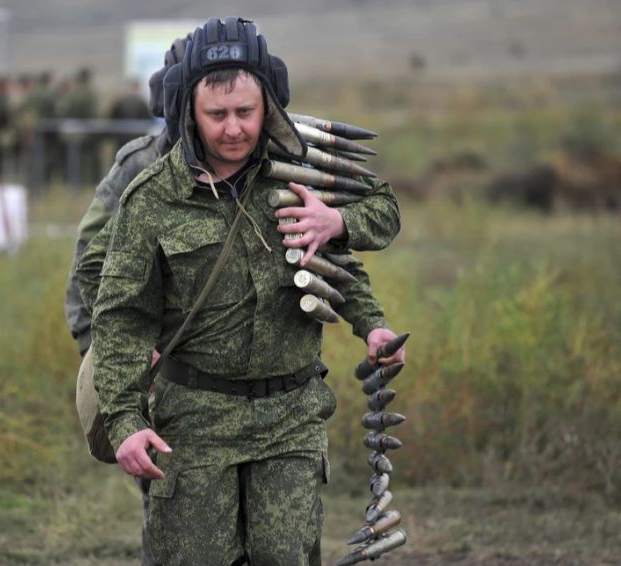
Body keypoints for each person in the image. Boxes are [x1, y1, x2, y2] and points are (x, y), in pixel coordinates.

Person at [81, 17, 405, 565]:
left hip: (291, 419)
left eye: (246, 113)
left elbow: (378, 216)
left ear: (268, 107)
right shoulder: (151, 198)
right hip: (195, 424)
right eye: (217, 115)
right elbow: (121, 319)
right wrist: (126, 421)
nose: (233, 129)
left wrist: (339, 230)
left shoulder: (300, 170)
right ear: (189, 110)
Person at [108, 78, 154, 149]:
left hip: (122, 137)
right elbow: (149, 119)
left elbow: (112, 117)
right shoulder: (141, 102)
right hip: (137, 138)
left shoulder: (120, 101)